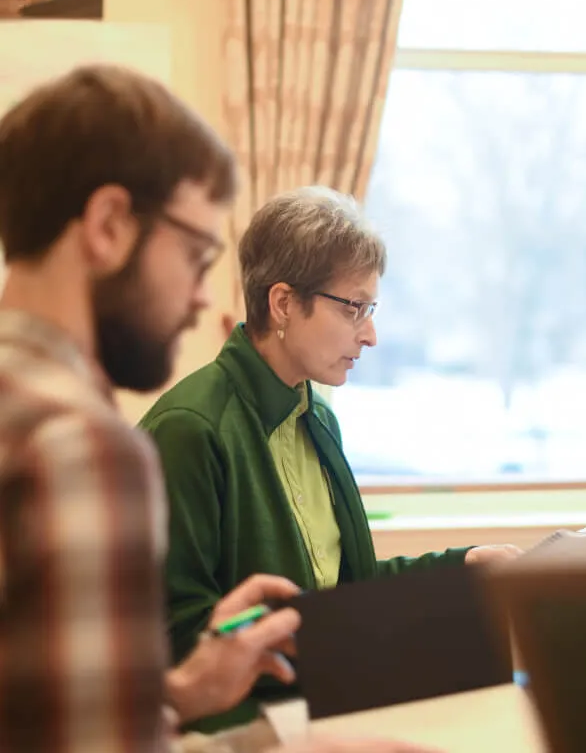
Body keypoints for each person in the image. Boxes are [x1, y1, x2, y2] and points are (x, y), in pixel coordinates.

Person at [0, 65, 436, 753]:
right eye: (196, 255)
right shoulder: (78, 443)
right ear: (108, 225)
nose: (205, 297)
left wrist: (181, 693)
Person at [140, 186, 523, 732]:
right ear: (282, 304)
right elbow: (177, 641)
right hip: (247, 730)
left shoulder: (317, 417)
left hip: (324, 709)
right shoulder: (191, 429)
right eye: (353, 308)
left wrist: (460, 567)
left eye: (371, 309)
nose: (370, 335)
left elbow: (339, 592)